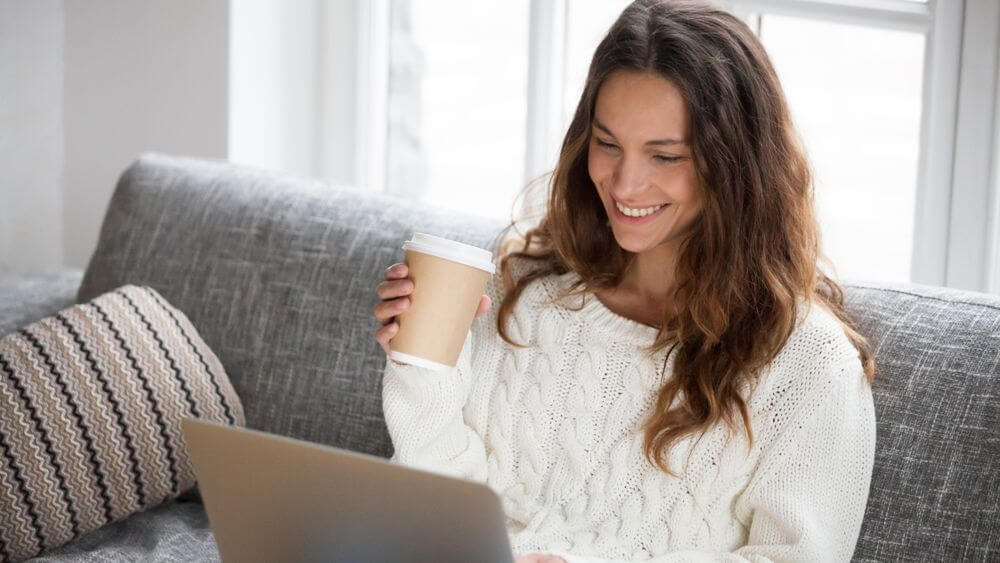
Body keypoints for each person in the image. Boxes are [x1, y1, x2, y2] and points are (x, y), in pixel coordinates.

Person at [373, 0, 877, 561]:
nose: (625, 184)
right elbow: (443, 502)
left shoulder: (809, 364)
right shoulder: (531, 288)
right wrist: (422, 366)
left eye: (665, 157)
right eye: (607, 144)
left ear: (736, 167)